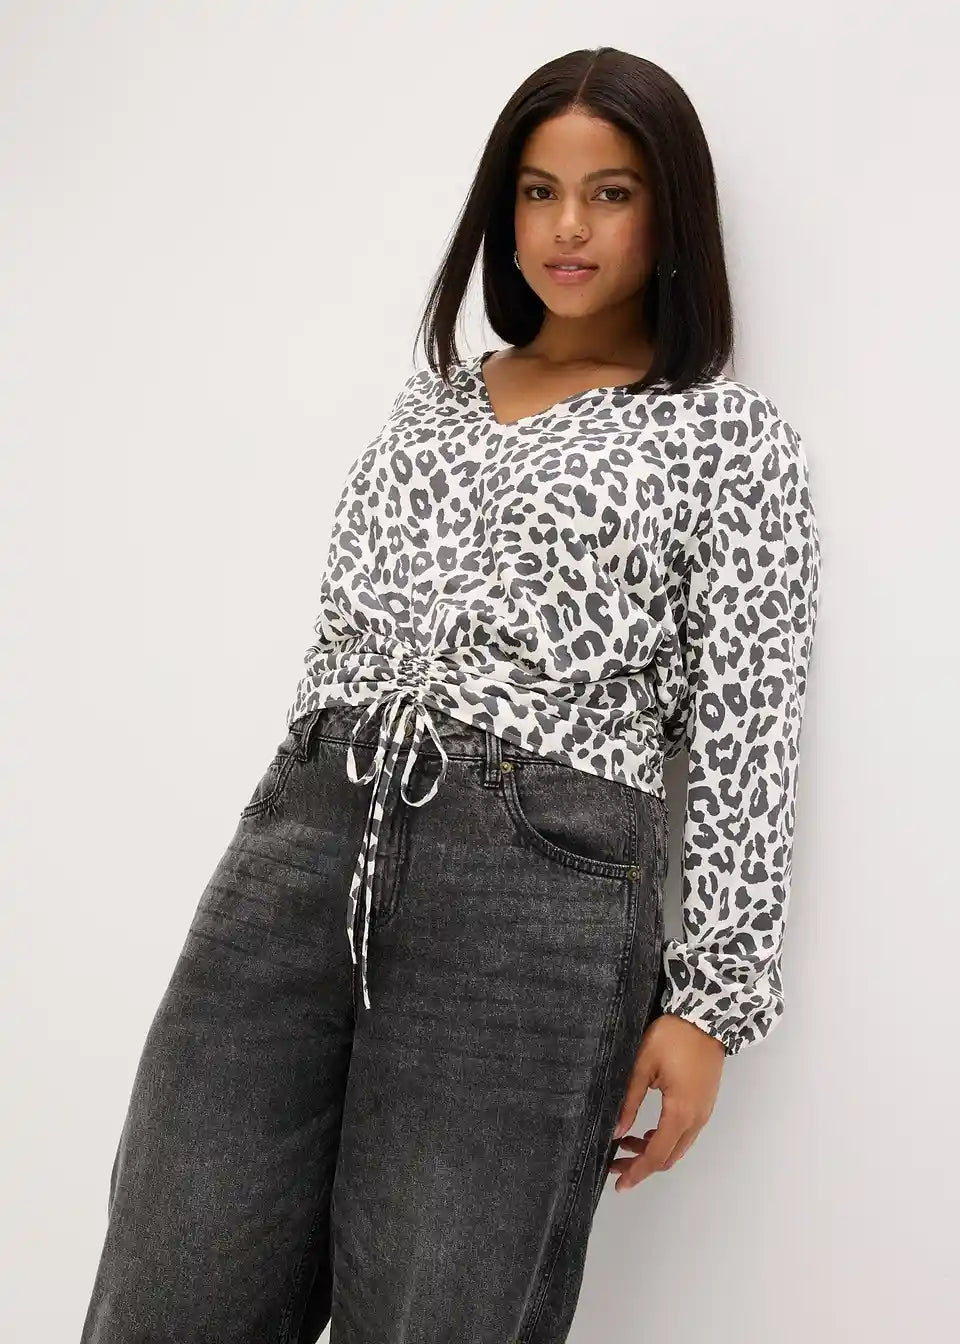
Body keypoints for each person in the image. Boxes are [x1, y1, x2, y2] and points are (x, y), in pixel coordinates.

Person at [81, 44, 822, 1344]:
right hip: (302, 845)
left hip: (533, 895)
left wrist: (712, 1000)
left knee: (439, 1314)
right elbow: (339, 639)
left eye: (610, 192)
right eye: (538, 192)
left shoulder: (725, 439)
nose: (568, 227)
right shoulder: (429, 406)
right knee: (168, 1287)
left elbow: (750, 731)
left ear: (671, 214)